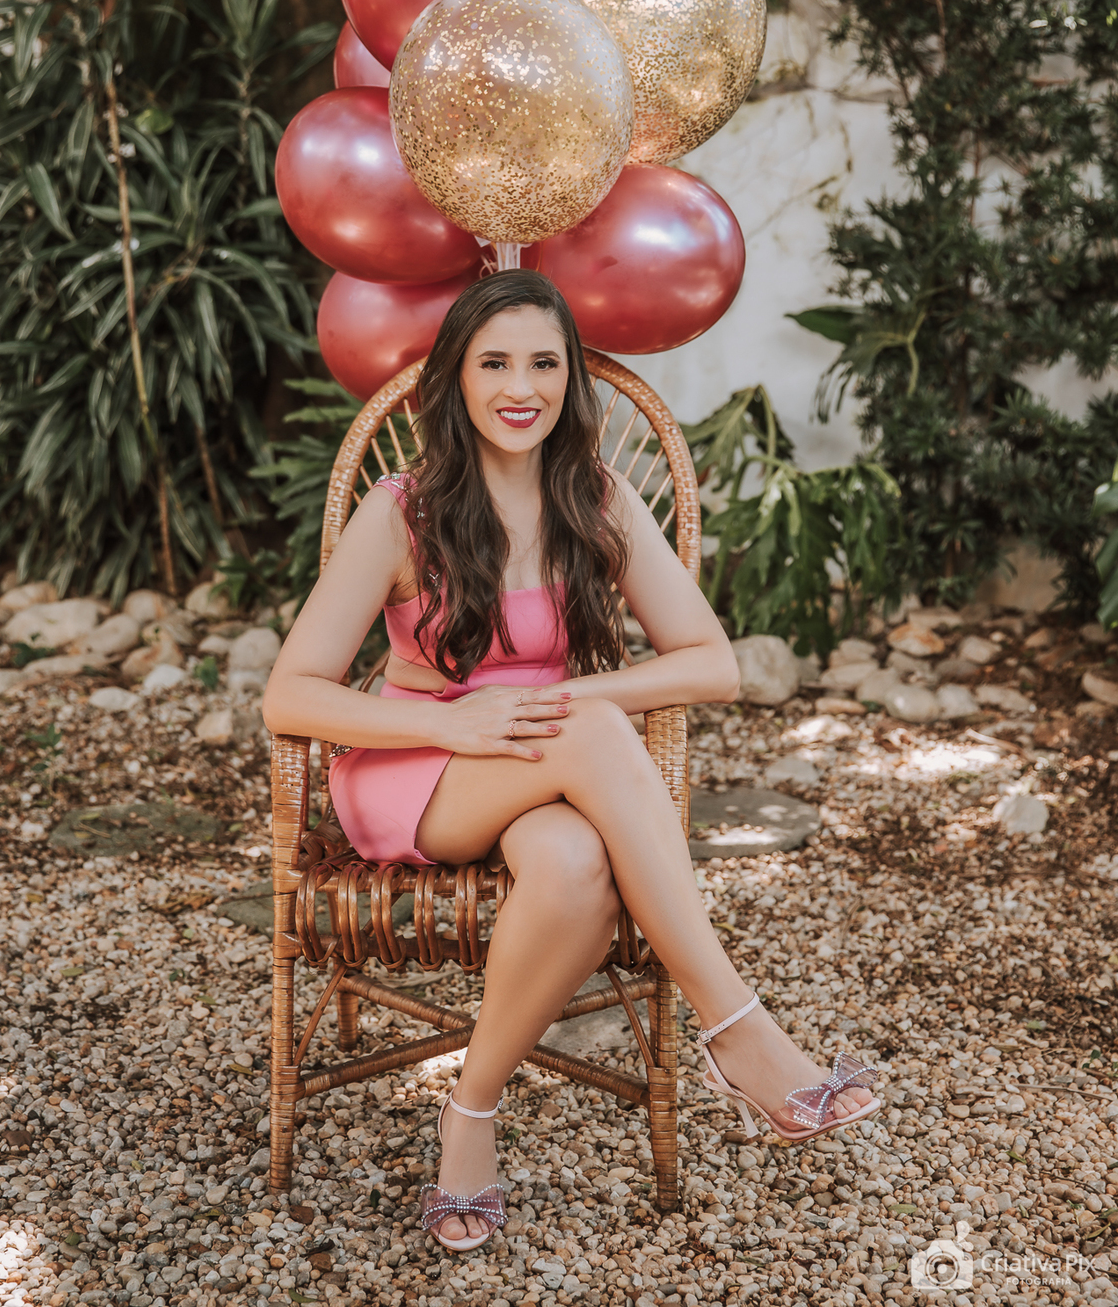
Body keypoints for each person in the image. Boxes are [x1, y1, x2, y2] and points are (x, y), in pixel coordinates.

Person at [262, 271, 880, 1252]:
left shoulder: (597, 497)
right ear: (456, 379)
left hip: (541, 761)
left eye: (544, 364)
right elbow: (290, 694)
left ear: (570, 379)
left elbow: (712, 664)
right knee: (591, 732)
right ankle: (739, 1031)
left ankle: (468, 1114)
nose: (522, 387)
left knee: (576, 863)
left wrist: (566, 701)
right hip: (416, 771)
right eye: (494, 363)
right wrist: (458, 725)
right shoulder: (403, 511)